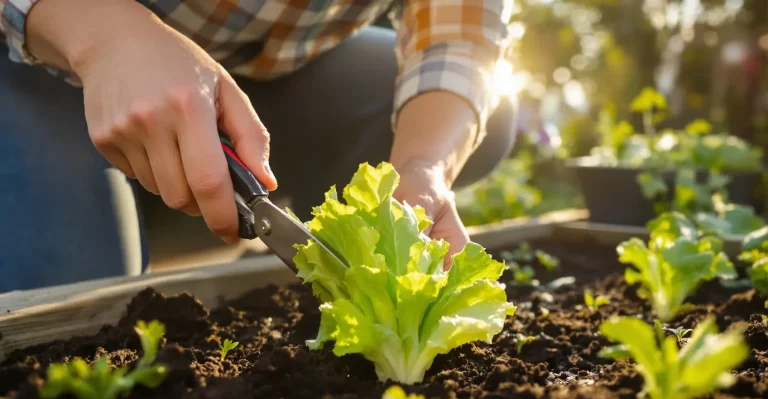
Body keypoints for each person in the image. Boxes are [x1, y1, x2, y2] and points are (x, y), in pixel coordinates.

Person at [0, 0, 517, 291]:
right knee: (65, 307)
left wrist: (423, 164)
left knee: (485, 116)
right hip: (38, 55)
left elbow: (461, 34)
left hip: (259, 89)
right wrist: (106, 36)